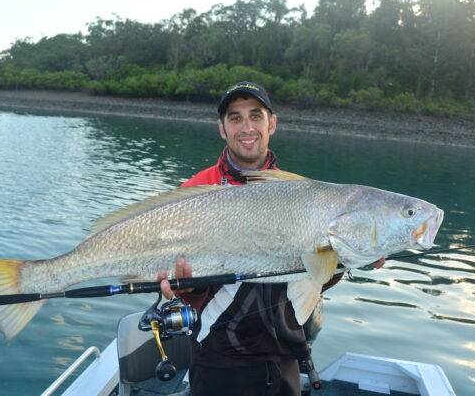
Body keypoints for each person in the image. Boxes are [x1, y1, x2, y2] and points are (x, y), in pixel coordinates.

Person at [157, 81, 384, 396]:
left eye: (256, 116)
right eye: (235, 118)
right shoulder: (194, 192)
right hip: (218, 362)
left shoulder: (302, 194)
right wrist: (189, 288)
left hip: (284, 357)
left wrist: (348, 257)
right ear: (222, 129)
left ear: (272, 124)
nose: (247, 127)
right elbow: (184, 294)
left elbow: (316, 278)